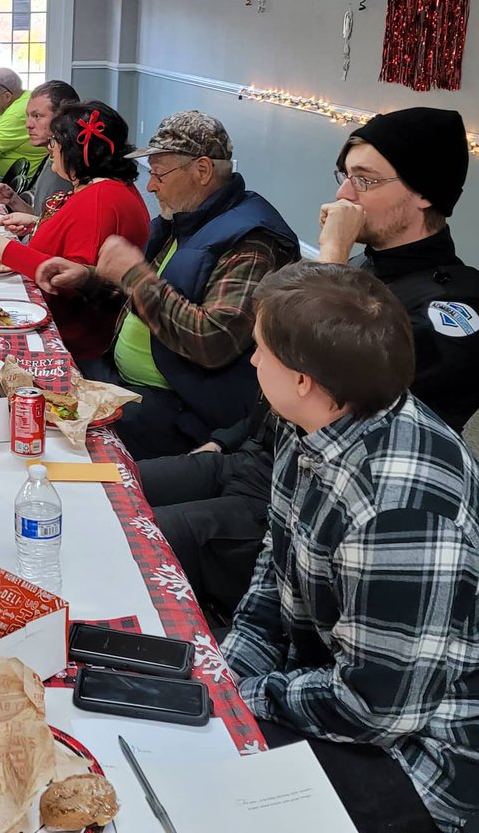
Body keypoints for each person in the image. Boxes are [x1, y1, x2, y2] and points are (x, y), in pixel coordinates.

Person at [140, 106, 479, 621]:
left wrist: (333, 260)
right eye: (344, 177)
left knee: (126, 537)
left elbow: (335, 400)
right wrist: (227, 439)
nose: (343, 197)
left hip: (314, 501)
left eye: (365, 181)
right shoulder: (363, 266)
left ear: (425, 193)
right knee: (108, 488)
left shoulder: (451, 311)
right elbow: (275, 376)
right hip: (255, 460)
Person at [222, 261, 479, 833]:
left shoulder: (403, 512)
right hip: (329, 689)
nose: (253, 359)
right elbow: (275, 564)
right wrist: (228, 675)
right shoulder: (312, 423)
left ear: (305, 379)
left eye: (261, 348)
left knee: (203, 794)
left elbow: (379, 708)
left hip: (417, 761)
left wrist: (248, 697)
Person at [37, 110, 298, 459]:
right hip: (125, 379)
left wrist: (134, 275)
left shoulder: (250, 242)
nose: (150, 185)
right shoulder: (185, 219)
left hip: (180, 410)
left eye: (159, 173)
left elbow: (214, 340)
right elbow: (144, 298)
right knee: (39, 385)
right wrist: (88, 279)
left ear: (202, 171)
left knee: (52, 444)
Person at [0, 102, 149, 360]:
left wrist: (8, 251)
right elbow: (77, 232)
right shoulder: (106, 188)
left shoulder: (99, 199)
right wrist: (37, 223)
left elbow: (72, 279)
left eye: (54, 142)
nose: (50, 148)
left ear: (75, 151)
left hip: (73, 340)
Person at [0, 79, 79, 214]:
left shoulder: (70, 169)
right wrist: (13, 200)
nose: (28, 125)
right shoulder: (52, 156)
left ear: (63, 119)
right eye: (28, 116)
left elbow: (50, 230)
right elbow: (40, 219)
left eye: (37, 116)